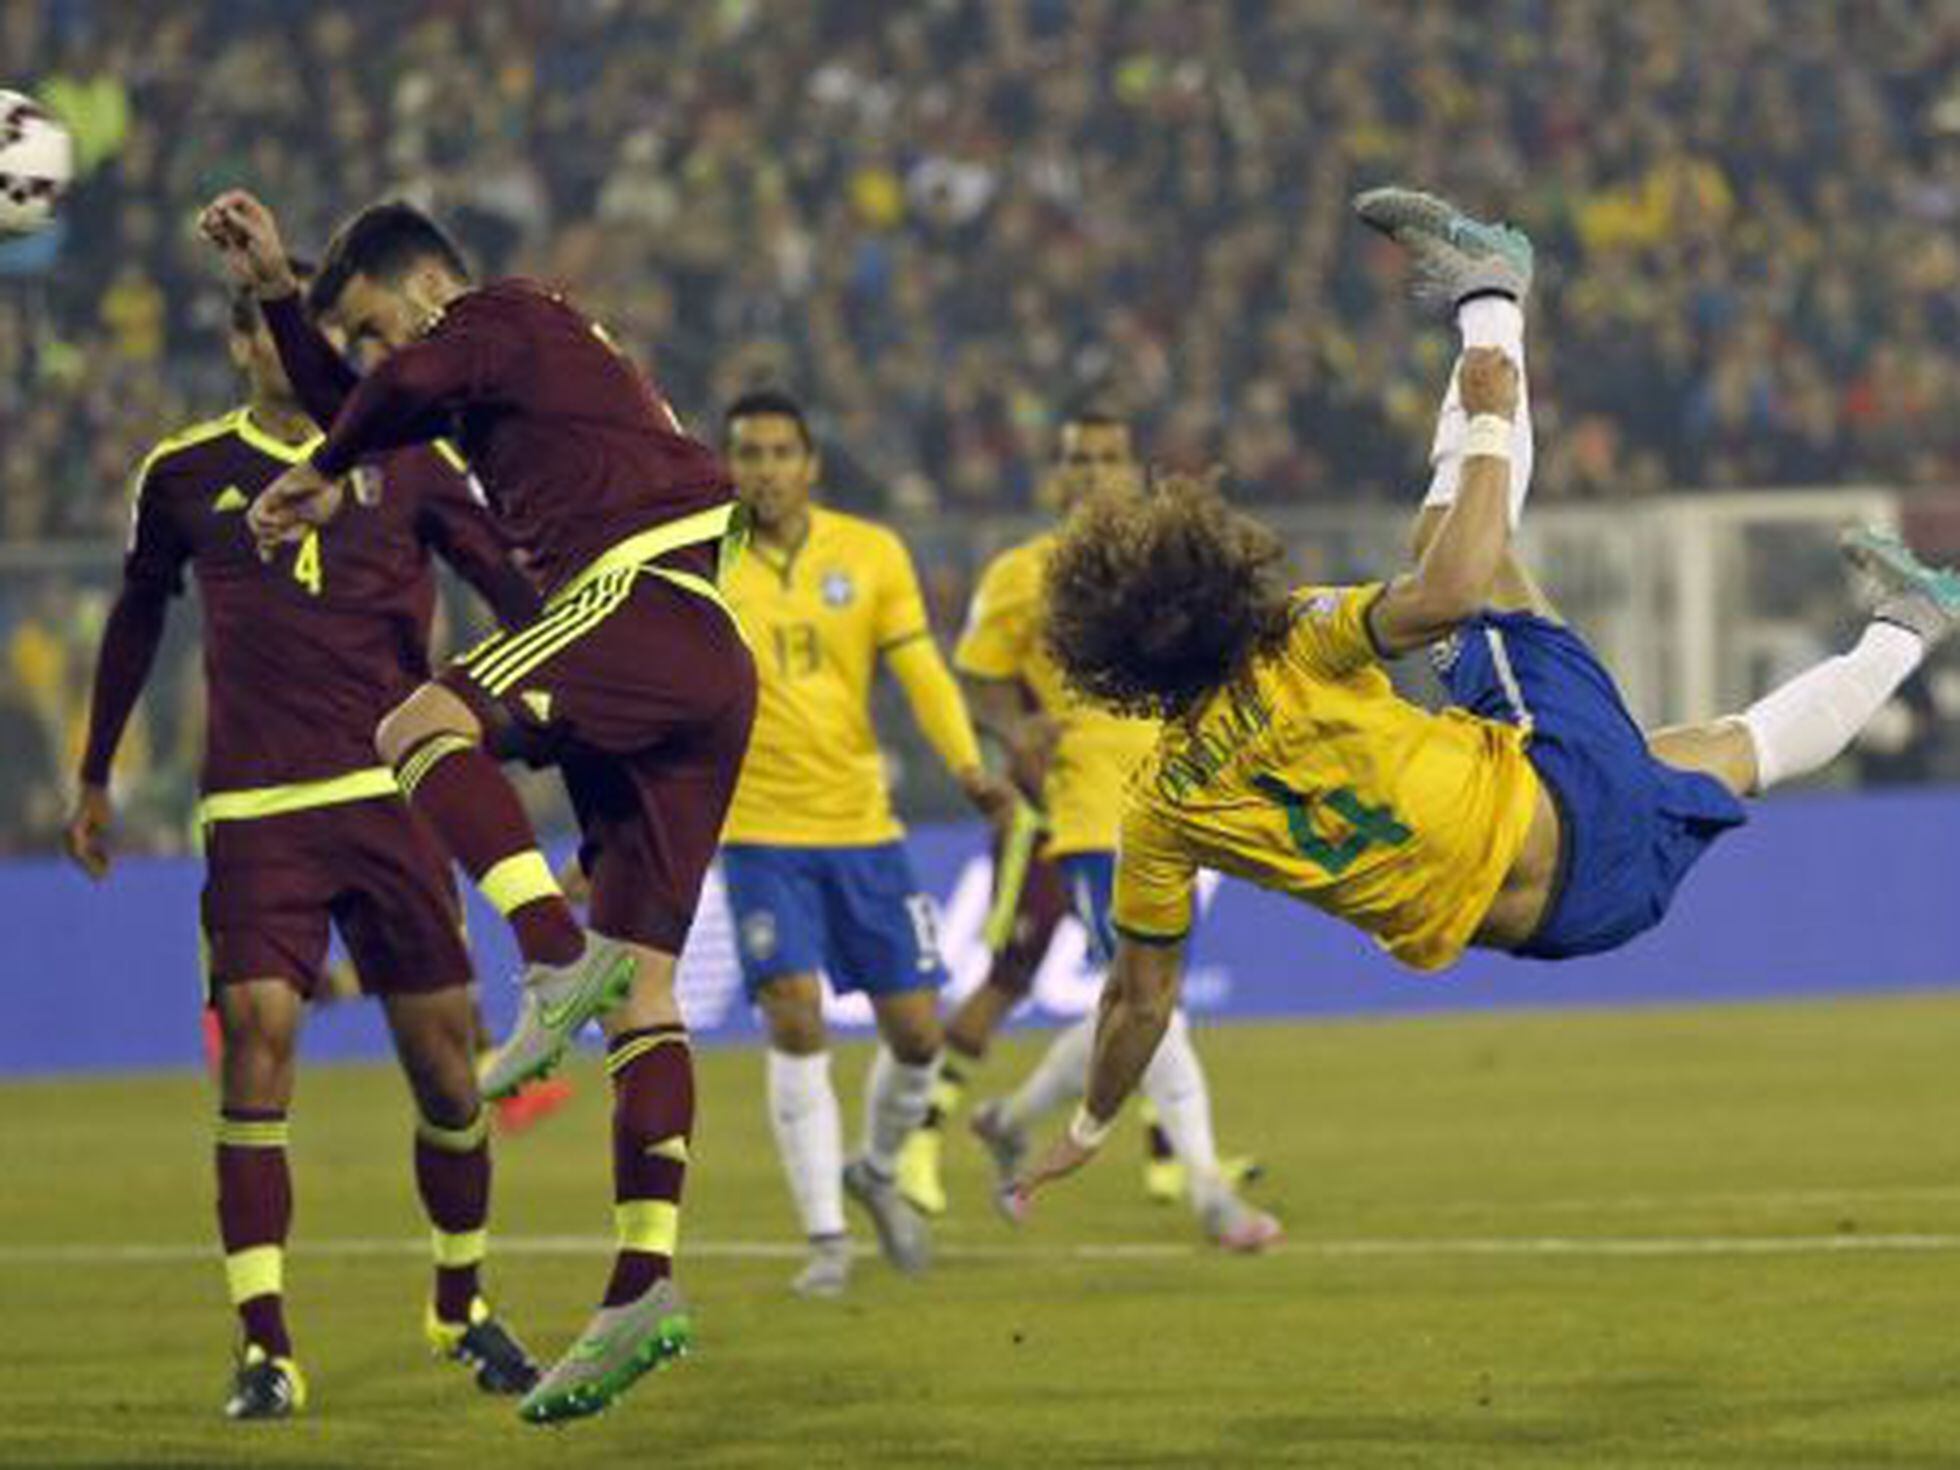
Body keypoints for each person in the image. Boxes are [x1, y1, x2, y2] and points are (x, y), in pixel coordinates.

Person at [1014, 187, 1960, 1203]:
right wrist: (1492, 412)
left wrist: (1088, 1121)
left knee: (1724, 752)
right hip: (1557, 797)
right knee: (1449, 556)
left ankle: (1911, 621)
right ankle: (1491, 290)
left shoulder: (1156, 813)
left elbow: (1138, 1001)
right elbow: (1455, 586)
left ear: (1113, 662)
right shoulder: (1284, 636)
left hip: (1577, 921)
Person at [230, 193, 756, 1425]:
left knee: (414, 725)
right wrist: (273, 294)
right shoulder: (491, 373)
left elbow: (385, 395)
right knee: (651, 991)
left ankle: (545, 953)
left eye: (367, 329)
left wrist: (316, 470)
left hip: (637, 600)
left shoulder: (497, 313)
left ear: (420, 293)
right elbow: (370, 405)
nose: (367, 359)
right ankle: (642, 1286)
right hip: (696, 663)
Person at [65, 265, 542, 1420]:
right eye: (271, 333)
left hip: (395, 798)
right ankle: (265, 1346)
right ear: (240, 347)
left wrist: (539, 702)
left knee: (443, 1070)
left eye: (319, 332)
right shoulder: (182, 474)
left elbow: (513, 593)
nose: (293, 348)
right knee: (259, 1040)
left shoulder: (416, 464)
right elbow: (140, 612)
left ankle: (461, 1304)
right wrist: (94, 772)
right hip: (256, 810)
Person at [942, 410, 1278, 1250]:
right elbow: (977, 674)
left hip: (1183, 803)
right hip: (1092, 814)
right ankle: (1207, 1192)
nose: (1092, 472)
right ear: (1058, 478)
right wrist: (1013, 733)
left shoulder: (1166, 566)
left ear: (1134, 470)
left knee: (1128, 1004)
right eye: (1076, 460)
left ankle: (1009, 1119)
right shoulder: (1021, 574)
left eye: (1108, 458)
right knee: (1154, 1003)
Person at [716, 390, 1012, 1296]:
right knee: (795, 1017)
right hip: (759, 831)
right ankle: (826, 1240)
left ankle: (876, 1171)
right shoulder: (703, 557)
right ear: (729, 466)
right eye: (747, 454)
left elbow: (919, 668)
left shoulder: (871, 552)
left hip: (863, 828)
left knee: (918, 1037)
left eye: (779, 453)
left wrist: (966, 763)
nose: (764, 469)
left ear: (810, 465)